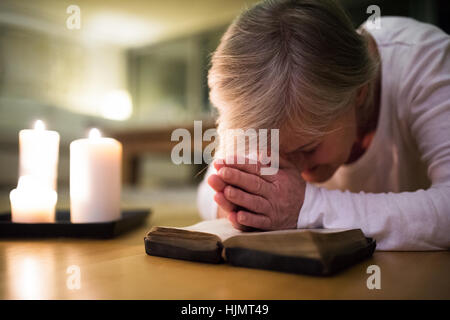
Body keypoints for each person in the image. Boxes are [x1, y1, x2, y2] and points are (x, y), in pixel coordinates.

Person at [197, 0, 450, 250]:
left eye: (308, 148)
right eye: (277, 151)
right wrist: (245, 204)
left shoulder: (425, 61)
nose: (294, 168)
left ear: (359, 92)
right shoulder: (265, 93)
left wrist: (307, 207)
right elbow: (207, 192)